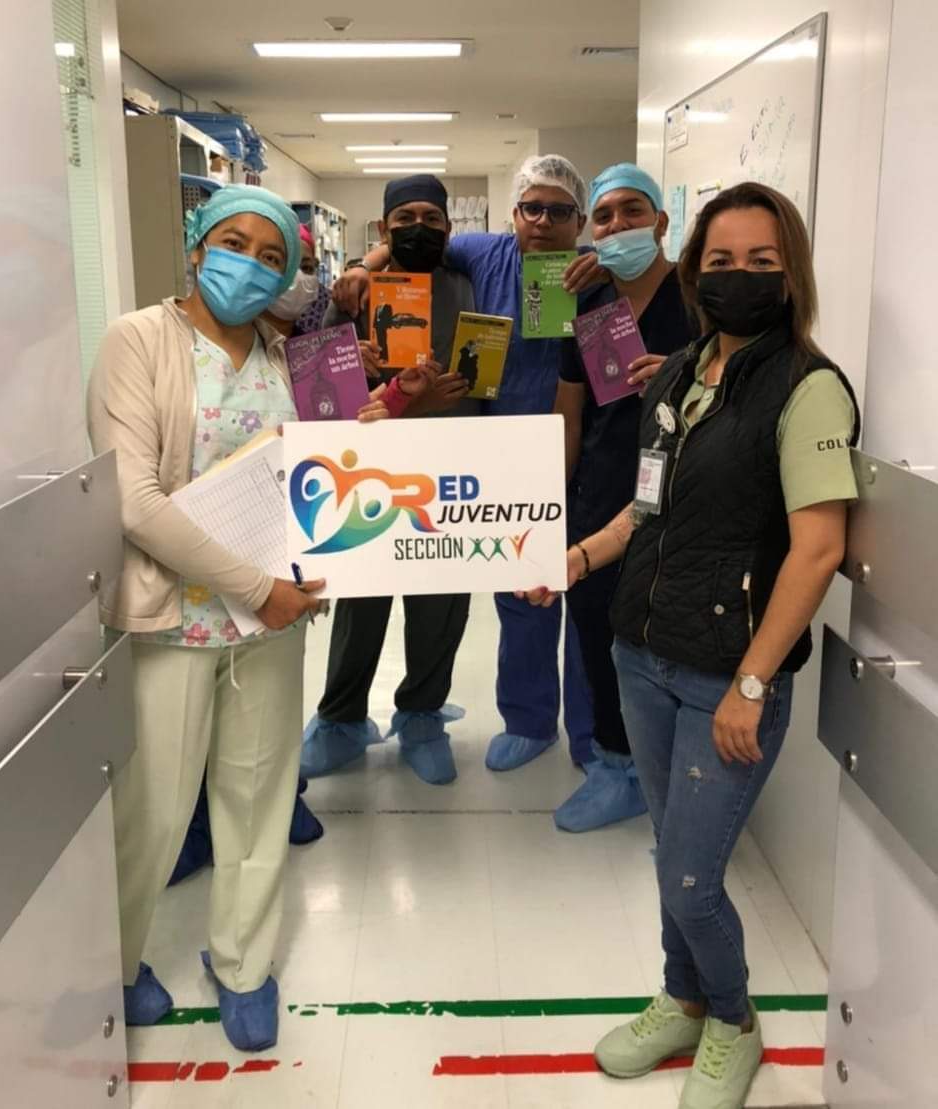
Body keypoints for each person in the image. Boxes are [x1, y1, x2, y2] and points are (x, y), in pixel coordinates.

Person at [521, 181, 859, 1109]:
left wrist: (752, 682)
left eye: (761, 261)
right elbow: (645, 508)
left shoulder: (809, 388)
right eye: (721, 261)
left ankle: (734, 1020)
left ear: (791, 274)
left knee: (689, 874)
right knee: (671, 847)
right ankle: (682, 996)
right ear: (696, 270)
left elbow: (818, 548)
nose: (738, 276)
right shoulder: (676, 373)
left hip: (727, 675)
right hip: (643, 654)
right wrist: (577, 559)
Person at [87, 184, 327, 1053]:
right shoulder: (137, 341)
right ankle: (113, 965)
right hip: (173, 621)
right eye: (234, 243)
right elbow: (134, 501)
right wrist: (254, 587)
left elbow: (321, 473)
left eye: (272, 257)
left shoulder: (289, 357)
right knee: (152, 810)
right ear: (196, 246)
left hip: (270, 625)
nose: (249, 266)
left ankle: (244, 965)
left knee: (257, 800)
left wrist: (381, 421)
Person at [335, 154, 596, 773]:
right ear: (514, 214)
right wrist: (361, 265)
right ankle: (530, 721)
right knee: (521, 591)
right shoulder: (485, 254)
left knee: (586, 597)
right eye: (532, 208)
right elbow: (413, 241)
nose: (543, 221)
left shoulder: (594, 275)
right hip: (496, 455)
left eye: (559, 211)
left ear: (579, 221)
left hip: (581, 448)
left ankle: (595, 739)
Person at [301, 174, 477, 786]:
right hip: (366, 472)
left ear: (449, 229)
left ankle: (422, 717)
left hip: (448, 468)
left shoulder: (468, 285)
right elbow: (321, 389)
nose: (418, 229)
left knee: (441, 603)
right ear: (383, 228)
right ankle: (341, 719)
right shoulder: (353, 295)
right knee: (361, 601)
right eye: (404, 219)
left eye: (432, 218)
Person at [553, 164, 697, 834]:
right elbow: (570, 416)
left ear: (661, 222)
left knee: (665, 633)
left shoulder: (698, 300)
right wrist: (555, 503)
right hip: (602, 488)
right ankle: (617, 765)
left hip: (684, 495)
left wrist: (679, 378)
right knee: (595, 625)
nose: (618, 226)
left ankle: (669, 773)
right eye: (604, 216)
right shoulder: (589, 308)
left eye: (632, 211)